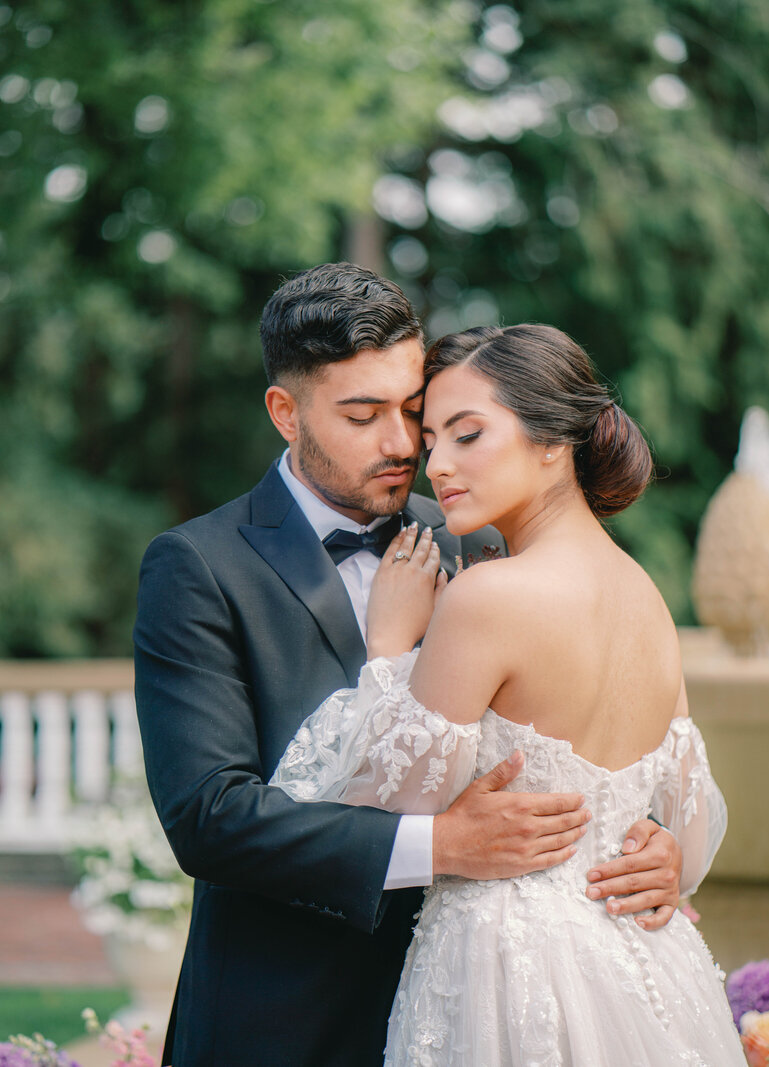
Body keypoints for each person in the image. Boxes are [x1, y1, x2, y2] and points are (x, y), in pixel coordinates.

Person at [134, 266, 684, 1067]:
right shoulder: (197, 567)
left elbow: (580, 716)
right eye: (363, 415)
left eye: (413, 413)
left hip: (479, 1010)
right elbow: (211, 818)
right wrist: (441, 843)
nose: (403, 446)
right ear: (285, 413)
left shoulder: (474, 530)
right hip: (284, 1021)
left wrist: (652, 840)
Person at [270, 323, 745, 1065]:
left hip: (510, 961)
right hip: (648, 962)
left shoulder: (487, 597)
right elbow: (688, 820)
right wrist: (664, 855)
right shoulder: (647, 597)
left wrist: (390, 649)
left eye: (467, 434)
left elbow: (370, 796)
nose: (437, 465)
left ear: (553, 440)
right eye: (432, 440)